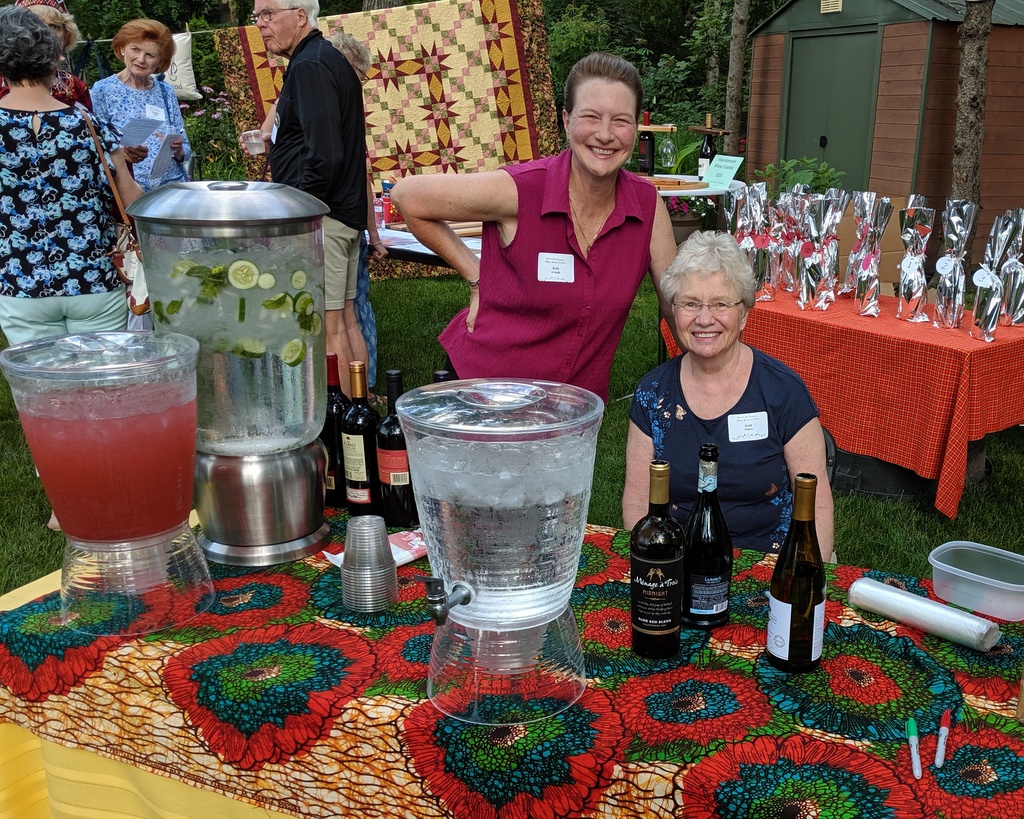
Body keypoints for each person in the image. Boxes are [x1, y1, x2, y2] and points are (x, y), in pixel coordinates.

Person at [390, 52, 678, 402]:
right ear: (566, 119)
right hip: (487, 394)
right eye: (591, 117)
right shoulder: (522, 190)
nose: (605, 134)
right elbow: (408, 197)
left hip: (571, 411)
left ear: (636, 128)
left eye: (621, 121)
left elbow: (676, 306)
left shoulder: (648, 208)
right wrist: (476, 276)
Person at [0, 6, 144, 530]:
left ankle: (66, 505)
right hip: (93, 280)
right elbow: (130, 195)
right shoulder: (85, 120)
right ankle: (107, 489)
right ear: (51, 56)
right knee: (99, 391)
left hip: (20, 284)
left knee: (44, 398)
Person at [622, 231, 835, 560]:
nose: (704, 319)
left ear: (745, 313)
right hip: (678, 560)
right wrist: (659, 565)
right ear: (674, 310)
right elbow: (637, 499)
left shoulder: (783, 391)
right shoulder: (653, 394)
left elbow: (817, 502)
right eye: (690, 303)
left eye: (720, 304)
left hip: (770, 562)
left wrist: (803, 575)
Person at [248, 0, 368, 394]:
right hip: (341, 215)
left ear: (300, 16)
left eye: (268, 15)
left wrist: (300, 217)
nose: (261, 25)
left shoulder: (310, 65)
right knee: (346, 321)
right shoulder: (322, 57)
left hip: (324, 220)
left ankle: (346, 430)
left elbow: (325, 153)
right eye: (257, 17)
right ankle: (359, 418)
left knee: (329, 328)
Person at [90, 19, 192, 193]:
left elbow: (186, 147)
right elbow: (95, 147)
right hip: (129, 191)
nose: (141, 59)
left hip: (172, 190)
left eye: (150, 55)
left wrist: (179, 150)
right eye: (135, 49)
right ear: (123, 48)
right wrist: (123, 153)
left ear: (160, 62)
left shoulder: (165, 91)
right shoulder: (103, 90)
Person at [0, 0, 91, 110]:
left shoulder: (75, 87)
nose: (44, 33)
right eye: (34, 25)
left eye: (53, 27)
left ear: (66, 36)